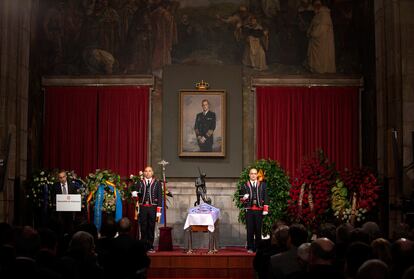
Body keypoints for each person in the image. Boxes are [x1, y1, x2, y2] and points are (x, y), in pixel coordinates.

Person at [131, 166, 162, 253]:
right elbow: (134, 194)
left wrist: (159, 211)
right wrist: (134, 194)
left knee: (151, 227)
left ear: (152, 173)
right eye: (146, 171)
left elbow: (159, 197)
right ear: (144, 173)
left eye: (149, 171)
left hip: (153, 207)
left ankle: (150, 246)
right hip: (143, 207)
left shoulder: (157, 183)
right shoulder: (139, 182)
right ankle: (143, 246)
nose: (147, 173)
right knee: (143, 227)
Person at [239, 167, 269, 253]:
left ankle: (258, 247)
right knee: (250, 229)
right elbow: (241, 199)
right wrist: (244, 198)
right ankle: (250, 247)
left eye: (255, 174)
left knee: (258, 229)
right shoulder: (244, 185)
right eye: (251, 173)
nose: (253, 175)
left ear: (257, 175)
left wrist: (265, 209)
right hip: (249, 210)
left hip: (259, 210)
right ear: (249, 175)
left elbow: (266, 197)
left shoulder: (263, 185)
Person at [306, 0, 336, 73]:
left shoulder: (324, 15)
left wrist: (312, 33)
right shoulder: (319, 14)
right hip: (318, 40)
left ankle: (321, 69)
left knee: (323, 57)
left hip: (322, 41)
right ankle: (315, 68)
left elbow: (320, 30)